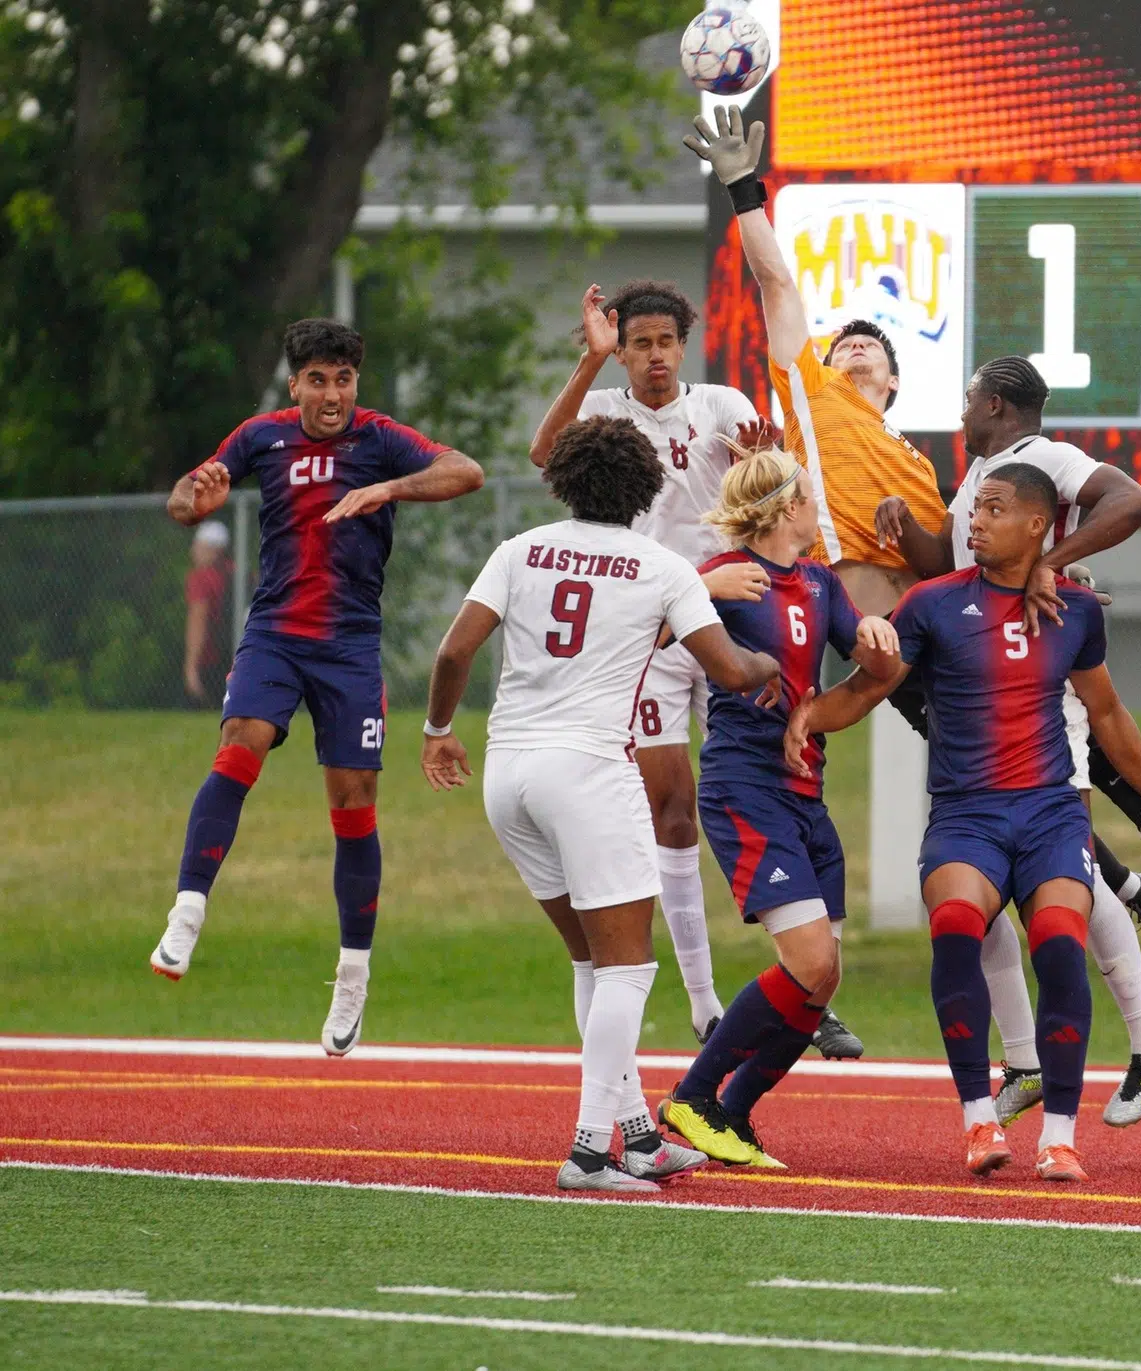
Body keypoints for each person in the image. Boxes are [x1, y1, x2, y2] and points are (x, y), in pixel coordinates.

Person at [786, 462, 1141, 1182]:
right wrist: (805, 715)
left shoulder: (1076, 610)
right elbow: (865, 687)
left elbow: (1106, 714)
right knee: (955, 925)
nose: (972, 521)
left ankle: (1061, 1136)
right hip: (966, 814)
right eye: (973, 508)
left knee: (1057, 942)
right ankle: (980, 1121)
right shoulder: (933, 603)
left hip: (1049, 814)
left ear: (1037, 526)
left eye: (992, 508)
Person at [420, 415, 776, 1193]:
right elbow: (727, 668)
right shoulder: (662, 565)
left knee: (592, 957)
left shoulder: (520, 549)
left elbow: (453, 650)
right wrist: (769, 658)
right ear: (646, 487)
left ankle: (640, 1135)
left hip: (508, 774)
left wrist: (438, 730)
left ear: (563, 480)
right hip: (586, 771)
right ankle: (588, 1150)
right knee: (629, 967)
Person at [526, 278, 863, 1060]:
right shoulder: (607, 411)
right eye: (637, 343)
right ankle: (708, 1003)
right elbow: (546, 455)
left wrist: (766, 454)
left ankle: (812, 974)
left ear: (685, 344)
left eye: (663, 342)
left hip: (737, 616)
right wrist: (589, 365)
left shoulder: (718, 404)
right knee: (672, 806)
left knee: (790, 780)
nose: (652, 356)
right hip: (657, 629)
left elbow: (779, 482)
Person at [875, 357, 1141, 1129]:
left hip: (1038, 672)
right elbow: (949, 567)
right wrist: (907, 526)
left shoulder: (1042, 460)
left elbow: (1133, 499)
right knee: (980, 890)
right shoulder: (985, 478)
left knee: (1064, 867)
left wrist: (1048, 565)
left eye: (966, 401)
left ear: (995, 402)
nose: (959, 415)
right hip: (976, 683)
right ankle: (1024, 1056)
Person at [150, 318, 485, 1055]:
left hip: (349, 644)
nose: (333, 394)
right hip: (274, 632)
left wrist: (387, 489)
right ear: (295, 382)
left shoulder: (378, 439)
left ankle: (353, 975)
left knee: (353, 804)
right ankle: (187, 910)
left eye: (344, 379)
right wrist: (194, 498)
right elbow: (185, 498)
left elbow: (467, 471)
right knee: (240, 747)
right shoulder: (261, 436)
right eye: (318, 380)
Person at [658, 449, 901, 1168]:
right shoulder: (725, 576)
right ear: (784, 506)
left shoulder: (821, 582)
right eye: (806, 493)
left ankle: (731, 1113)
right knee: (810, 957)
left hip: (805, 794)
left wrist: (879, 641)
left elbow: (868, 669)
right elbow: (650, 631)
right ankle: (691, 1098)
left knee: (823, 975)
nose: (815, 504)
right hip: (745, 787)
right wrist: (703, 586)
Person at [683, 106, 947, 618]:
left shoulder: (917, 460)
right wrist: (742, 187)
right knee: (822, 699)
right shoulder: (817, 389)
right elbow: (777, 284)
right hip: (861, 603)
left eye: (872, 343)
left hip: (931, 616)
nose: (856, 343)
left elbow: (952, 552)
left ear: (895, 379)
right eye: (842, 344)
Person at [183, 521, 233, 705]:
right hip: (240, 656)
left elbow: (198, 622)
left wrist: (191, 668)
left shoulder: (201, 578)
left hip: (211, 661)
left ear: (214, 550)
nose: (193, 551)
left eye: (198, 546)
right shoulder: (241, 573)